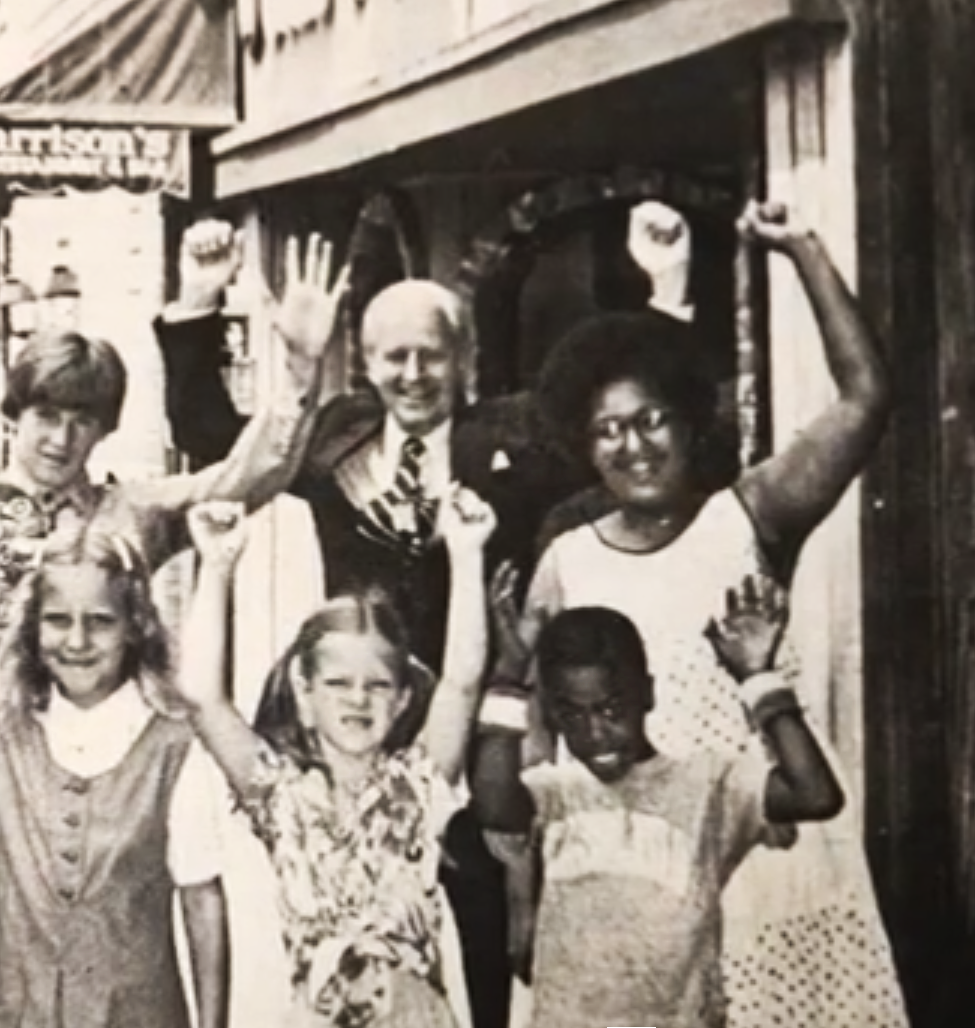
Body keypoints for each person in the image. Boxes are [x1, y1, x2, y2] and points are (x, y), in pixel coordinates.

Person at [0, 223, 343, 950]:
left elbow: (247, 479)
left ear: (102, 430)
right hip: (1, 778)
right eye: (45, 414)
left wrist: (297, 370)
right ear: (14, 413)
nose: (60, 438)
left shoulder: (131, 511)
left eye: (82, 421)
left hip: (118, 781)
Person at [155, 220, 588, 1028]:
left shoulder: (515, 453)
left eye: (431, 354)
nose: (413, 374)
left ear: (461, 361)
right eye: (393, 356)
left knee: (477, 943)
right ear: (366, 362)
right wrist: (208, 309)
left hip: (460, 744)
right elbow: (218, 444)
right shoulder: (336, 438)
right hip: (344, 736)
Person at [516, 200, 908, 1026]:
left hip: (771, 848)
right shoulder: (566, 560)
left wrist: (802, 248)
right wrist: (527, 895)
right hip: (637, 879)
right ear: (584, 448)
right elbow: (538, 743)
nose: (634, 445)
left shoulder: (753, 514)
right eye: (607, 431)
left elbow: (866, 396)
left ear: (691, 422)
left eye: (652, 419)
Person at [176, 492, 493, 1028]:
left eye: (377, 685)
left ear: (402, 701)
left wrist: (467, 555)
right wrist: (216, 565)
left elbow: (462, 681)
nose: (357, 699)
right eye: (338, 683)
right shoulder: (279, 793)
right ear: (303, 692)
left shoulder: (417, 784)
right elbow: (202, 695)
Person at [469, 584, 844, 1028]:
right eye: (573, 716)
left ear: (647, 694)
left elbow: (816, 795)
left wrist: (757, 677)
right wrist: (509, 677)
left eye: (612, 710)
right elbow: (493, 807)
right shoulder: (556, 792)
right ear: (551, 715)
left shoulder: (710, 784)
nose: (596, 734)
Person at [0, 527, 230, 1028]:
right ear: (32, 628)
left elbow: (202, 900)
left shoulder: (174, 750)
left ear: (135, 627)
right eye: (56, 620)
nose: (76, 641)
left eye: (100, 622)